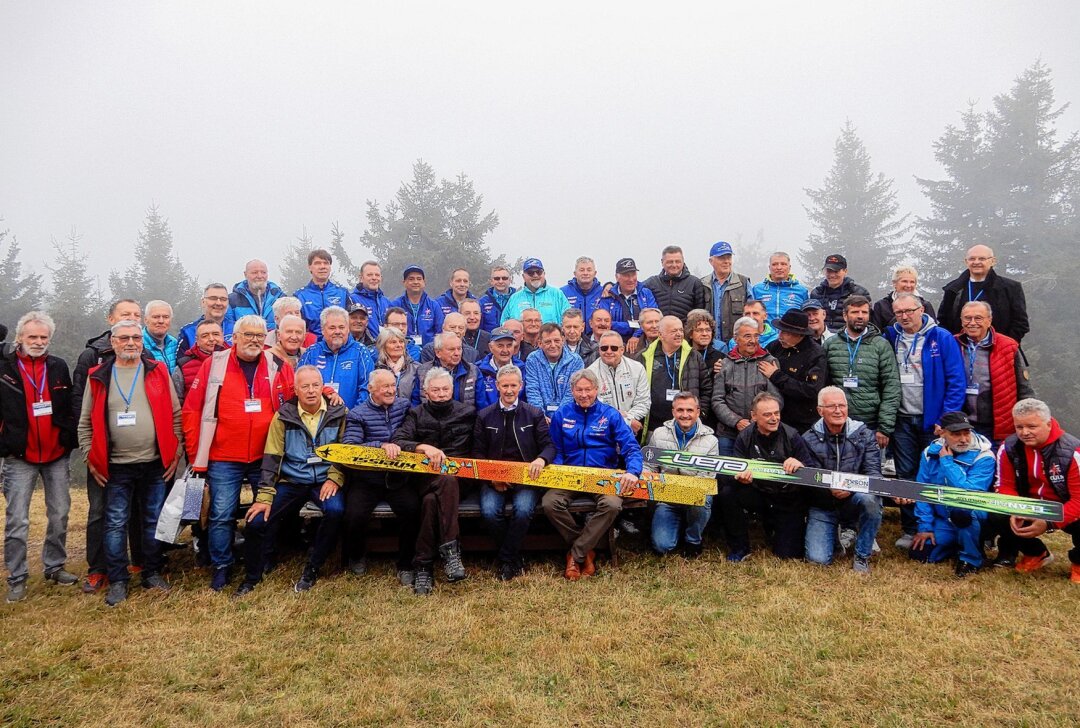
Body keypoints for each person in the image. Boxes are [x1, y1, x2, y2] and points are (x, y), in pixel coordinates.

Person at [182, 315, 295, 591]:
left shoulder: (277, 364)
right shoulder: (214, 364)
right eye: (248, 335)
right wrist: (198, 455)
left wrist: (325, 391)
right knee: (221, 513)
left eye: (259, 335)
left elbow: (295, 398)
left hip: (265, 454)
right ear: (234, 337)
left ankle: (263, 557)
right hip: (223, 455)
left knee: (268, 508)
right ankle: (222, 565)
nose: (254, 340)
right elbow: (192, 410)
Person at [78, 319, 183, 607]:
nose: (130, 343)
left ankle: (151, 572)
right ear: (112, 343)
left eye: (136, 337)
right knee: (114, 523)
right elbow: (85, 422)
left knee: (152, 520)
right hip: (115, 465)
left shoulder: (157, 370)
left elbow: (176, 415)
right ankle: (119, 580)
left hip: (154, 463)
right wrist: (90, 457)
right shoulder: (98, 375)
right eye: (124, 338)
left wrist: (175, 454)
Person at [235, 366, 348, 596]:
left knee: (336, 511)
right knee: (257, 520)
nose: (310, 391)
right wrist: (264, 497)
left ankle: (313, 568)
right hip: (293, 480)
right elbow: (272, 457)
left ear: (322, 386)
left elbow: (345, 450)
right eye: (304, 386)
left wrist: (335, 478)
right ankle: (252, 577)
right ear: (295, 389)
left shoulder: (338, 412)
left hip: (324, 479)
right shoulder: (283, 416)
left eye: (315, 385)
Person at [2, 312, 78, 603]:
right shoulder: (5, 367)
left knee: (59, 514)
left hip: (56, 453)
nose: (38, 342)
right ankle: (17, 576)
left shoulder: (58, 366)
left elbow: (68, 404)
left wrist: (68, 438)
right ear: (20, 337)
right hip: (19, 455)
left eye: (43, 337)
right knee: (18, 520)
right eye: (32, 337)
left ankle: (54, 566)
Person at [70, 298, 142, 594]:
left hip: (137, 452)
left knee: (137, 507)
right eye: (126, 315)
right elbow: (79, 404)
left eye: (137, 316)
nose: (133, 320)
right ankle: (99, 568)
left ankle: (138, 559)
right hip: (103, 450)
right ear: (110, 319)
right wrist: (89, 448)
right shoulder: (93, 356)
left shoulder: (142, 352)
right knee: (101, 510)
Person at [882, 293, 966, 548]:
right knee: (906, 473)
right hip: (902, 417)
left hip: (933, 422)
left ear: (921, 309)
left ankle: (942, 527)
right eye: (899, 313)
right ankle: (911, 528)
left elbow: (956, 380)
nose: (905, 316)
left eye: (910, 311)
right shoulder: (890, 336)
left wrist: (946, 419)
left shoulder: (941, 337)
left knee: (934, 473)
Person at [543, 369, 642, 580]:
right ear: (572, 391)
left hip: (603, 475)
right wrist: (559, 469)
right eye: (579, 390)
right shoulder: (562, 413)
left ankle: (576, 553)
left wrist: (633, 472)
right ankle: (587, 551)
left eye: (588, 389)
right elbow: (555, 448)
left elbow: (631, 448)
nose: (584, 394)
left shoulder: (610, 414)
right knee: (549, 503)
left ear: (597, 390)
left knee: (612, 505)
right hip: (569, 475)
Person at [391, 367, 476, 595]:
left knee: (438, 494)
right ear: (426, 392)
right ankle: (451, 554)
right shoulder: (416, 414)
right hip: (424, 478)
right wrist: (422, 447)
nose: (441, 394)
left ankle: (423, 568)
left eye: (445, 389)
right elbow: (399, 440)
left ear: (452, 390)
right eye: (435, 390)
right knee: (431, 498)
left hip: (461, 480)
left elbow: (478, 449)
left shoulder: (468, 412)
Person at [473, 365, 555, 580]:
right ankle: (513, 557)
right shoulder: (484, 416)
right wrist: (492, 478)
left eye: (514, 385)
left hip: (526, 478)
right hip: (494, 477)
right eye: (505, 385)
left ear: (521, 386)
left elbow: (549, 446)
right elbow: (477, 453)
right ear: (498, 386)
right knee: (490, 511)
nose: (509, 390)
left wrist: (541, 459)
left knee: (523, 509)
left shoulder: (534, 414)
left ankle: (507, 558)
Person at [340, 370, 419, 586]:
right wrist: (380, 446)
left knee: (412, 511)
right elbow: (350, 448)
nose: (391, 390)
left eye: (393, 385)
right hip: (368, 479)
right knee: (354, 515)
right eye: (385, 387)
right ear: (371, 389)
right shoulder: (357, 414)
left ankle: (405, 563)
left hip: (398, 477)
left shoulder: (404, 407)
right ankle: (356, 555)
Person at [717, 392, 812, 561]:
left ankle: (775, 528)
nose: (774, 418)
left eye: (776, 413)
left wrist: (800, 466)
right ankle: (740, 548)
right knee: (728, 493)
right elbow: (734, 471)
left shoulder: (792, 436)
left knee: (788, 555)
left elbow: (812, 471)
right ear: (754, 416)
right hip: (758, 492)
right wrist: (740, 477)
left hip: (787, 497)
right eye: (767, 414)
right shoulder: (744, 436)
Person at [995, 399, 1080, 583]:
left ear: (1048, 424)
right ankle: (1036, 553)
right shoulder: (1008, 448)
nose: (1024, 432)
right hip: (1030, 505)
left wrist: (1049, 522)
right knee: (997, 512)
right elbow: (1005, 486)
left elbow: (1079, 501)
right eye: (1019, 427)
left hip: (1065, 506)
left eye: (1031, 426)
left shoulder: (1072, 452)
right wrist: (1015, 510)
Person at [802, 387, 883, 574]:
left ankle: (862, 555)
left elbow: (874, 474)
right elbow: (808, 482)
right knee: (818, 560)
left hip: (854, 499)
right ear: (820, 410)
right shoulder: (807, 439)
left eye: (842, 405)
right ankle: (838, 534)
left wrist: (852, 489)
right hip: (823, 504)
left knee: (871, 499)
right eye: (832, 406)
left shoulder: (864, 434)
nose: (838, 411)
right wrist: (828, 490)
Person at [909, 411, 996, 577]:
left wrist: (947, 463)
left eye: (966, 433)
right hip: (944, 520)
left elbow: (969, 495)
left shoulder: (984, 455)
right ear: (942, 433)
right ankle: (958, 544)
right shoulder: (929, 452)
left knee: (962, 512)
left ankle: (971, 559)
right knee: (920, 554)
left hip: (974, 514)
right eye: (956, 434)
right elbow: (922, 490)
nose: (963, 439)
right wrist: (925, 527)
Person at [822, 295, 900, 450]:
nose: (860, 316)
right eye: (855, 312)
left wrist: (884, 427)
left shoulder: (880, 345)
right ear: (845, 315)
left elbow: (891, 386)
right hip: (836, 422)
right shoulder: (831, 344)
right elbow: (823, 384)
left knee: (869, 471)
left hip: (870, 424)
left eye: (864, 312)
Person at [647, 392, 718, 557]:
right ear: (673, 412)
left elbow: (706, 478)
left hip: (694, 497)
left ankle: (693, 539)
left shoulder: (711, 441)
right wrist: (648, 475)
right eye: (680, 410)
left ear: (698, 412)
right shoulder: (658, 434)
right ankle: (674, 525)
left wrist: (682, 492)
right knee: (662, 547)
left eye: (689, 410)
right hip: (667, 498)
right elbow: (649, 465)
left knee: (705, 497)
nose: (685, 415)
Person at [954, 300, 1033, 446]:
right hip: (962, 425)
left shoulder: (1008, 346)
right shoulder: (953, 344)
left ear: (989, 320)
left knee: (998, 466)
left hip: (998, 425)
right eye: (967, 318)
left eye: (978, 318)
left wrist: (1028, 421)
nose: (972, 323)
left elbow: (1024, 388)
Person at [711, 316, 782, 455]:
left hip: (761, 432)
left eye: (756, 336)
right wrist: (736, 421)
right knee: (727, 475)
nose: (753, 341)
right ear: (735, 338)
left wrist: (757, 422)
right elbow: (717, 400)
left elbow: (776, 399)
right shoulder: (724, 364)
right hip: (728, 432)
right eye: (747, 336)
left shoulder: (770, 362)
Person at [639, 315, 712, 444]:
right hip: (652, 425)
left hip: (685, 425)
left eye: (680, 330)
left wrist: (701, 413)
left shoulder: (694, 356)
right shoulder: (644, 356)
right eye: (673, 331)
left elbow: (706, 388)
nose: (679, 334)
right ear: (661, 335)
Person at [938, 244, 1029, 343]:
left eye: (982, 259)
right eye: (972, 259)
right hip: (960, 349)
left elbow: (1020, 324)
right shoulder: (953, 289)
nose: (976, 262)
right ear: (966, 261)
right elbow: (943, 321)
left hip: (1000, 350)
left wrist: (1003, 345)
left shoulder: (1010, 288)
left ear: (993, 261)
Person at [762, 309, 826, 434]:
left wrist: (776, 375)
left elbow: (811, 390)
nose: (780, 336)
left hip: (802, 422)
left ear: (800, 334)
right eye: (780, 331)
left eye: (786, 333)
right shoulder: (774, 347)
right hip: (775, 418)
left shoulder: (816, 355)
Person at [297, 306, 375, 409]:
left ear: (348, 329)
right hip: (317, 420)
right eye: (332, 328)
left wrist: (353, 416)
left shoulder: (360, 351)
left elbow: (367, 388)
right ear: (323, 330)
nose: (337, 331)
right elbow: (300, 385)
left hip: (352, 419)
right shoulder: (312, 352)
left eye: (341, 327)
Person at [587, 331, 649, 438]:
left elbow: (643, 402)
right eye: (604, 348)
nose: (609, 351)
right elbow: (593, 408)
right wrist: (626, 421)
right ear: (599, 350)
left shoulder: (637, 368)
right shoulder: (590, 373)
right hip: (603, 432)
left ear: (622, 350)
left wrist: (627, 419)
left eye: (614, 348)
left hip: (632, 431)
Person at [700, 240, 752, 347]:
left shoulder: (743, 283)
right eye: (722, 258)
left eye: (729, 257)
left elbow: (751, 315)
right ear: (711, 261)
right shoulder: (702, 284)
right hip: (709, 346)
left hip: (737, 345)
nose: (726, 261)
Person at [597, 258, 658, 349]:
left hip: (643, 342)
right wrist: (633, 325)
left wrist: (636, 335)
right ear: (617, 277)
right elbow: (605, 324)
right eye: (626, 275)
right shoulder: (608, 296)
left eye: (633, 274)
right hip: (614, 344)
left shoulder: (646, 293)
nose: (631, 279)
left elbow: (655, 319)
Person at [524, 323, 583, 418]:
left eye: (556, 340)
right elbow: (533, 390)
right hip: (540, 417)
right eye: (548, 342)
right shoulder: (532, 359)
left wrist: (558, 417)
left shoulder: (576, 361)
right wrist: (540, 417)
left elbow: (571, 392)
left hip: (568, 416)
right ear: (540, 343)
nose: (553, 345)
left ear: (563, 340)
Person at [294, 249, 355, 338]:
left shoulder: (342, 293)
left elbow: (351, 322)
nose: (322, 267)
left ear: (330, 267)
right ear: (310, 267)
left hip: (339, 345)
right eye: (317, 263)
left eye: (326, 263)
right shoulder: (300, 296)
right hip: (312, 347)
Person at [415, 332, 480, 408]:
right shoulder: (422, 371)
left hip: (465, 418)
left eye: (459, 349)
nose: (457, 353)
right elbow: (416, 403)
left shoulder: (473, 371)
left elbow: (480, 405)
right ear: (438, 352)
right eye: (451, 349)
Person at [643, 245, 706, 323]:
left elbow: (699, 314)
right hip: (658, 332)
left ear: (683, 261)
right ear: (662, 262)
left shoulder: (694, 283)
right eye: (670, 262)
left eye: (677, 261)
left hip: (684, 333)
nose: (674, 265)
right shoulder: (651, 283)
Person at [809, 254, 871, 333]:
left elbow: (867, 321)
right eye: (829, 271)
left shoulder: (859, 293)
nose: (832, 275)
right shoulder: (816, 293)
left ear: (845, 271)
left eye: (836, 271)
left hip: (849, 339)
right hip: (821, 339)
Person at [501, 257, 570, 325]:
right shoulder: (514, 298)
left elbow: (569, 321)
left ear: (544, 273)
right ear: (523, 276)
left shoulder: (557, 294)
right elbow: (504, 324)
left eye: (539, 272)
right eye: (530, 273)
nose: (535, 275)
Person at [172, 319, 226, 403]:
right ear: (197, 340)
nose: (211, 339)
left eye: (216, 334)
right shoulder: (183, 367)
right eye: (205, 336)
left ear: (222, 336)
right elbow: (177, 402)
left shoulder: (236, 360)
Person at [391, 264, 445, 347]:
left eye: (419, 279)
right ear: (404, 283)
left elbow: (440, 332)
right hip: (403, 351)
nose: (415, 282)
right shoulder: (395, 305)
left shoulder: (434, 306)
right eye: (411, 279)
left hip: (429, 354)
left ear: (424, 282)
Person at [224, 259, 284, 331]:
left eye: (263, 272)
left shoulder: (280, 298)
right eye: (254, 272)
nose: (259, 276)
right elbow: (229, 331)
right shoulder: (232, 301)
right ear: (245, 275)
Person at [870, 266, 936, 332]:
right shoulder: (881, 306)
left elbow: (933, 330)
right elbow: (876, 332)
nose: (908, 285)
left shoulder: (925, 305)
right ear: (894, 283)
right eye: (904, 281)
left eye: (912, 282)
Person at [476, 327, 526, 410]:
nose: (505, 350)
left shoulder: (523, 368)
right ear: (491, 347)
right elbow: (480, 403)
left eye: (509, 345)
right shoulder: (478, 370)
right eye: (500, 346)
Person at [751, 251, 809, 321]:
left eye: (783, 264)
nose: (779, 267)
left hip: (791, 331)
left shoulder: (802, 291)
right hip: (764, 332)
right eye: (774, 264)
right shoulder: (757, 289)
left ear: (789, 267)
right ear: (769, 267)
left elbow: (807, 317)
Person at [371, 327, 421, 403]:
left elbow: (419, 399)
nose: (399, 345)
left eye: (401, 342)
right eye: (393, 342)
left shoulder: (417, 368)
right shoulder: (375, 369)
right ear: (383, 346)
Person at [178, 283, 233, 351]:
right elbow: (181, 360)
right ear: (203, 302)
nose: (219, 303)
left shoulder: (237, 329)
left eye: (223, 299)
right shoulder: (188, 331)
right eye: (213, 298)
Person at [350, 260, 391, 340]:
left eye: (377, 275)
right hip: (365, 348)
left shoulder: (386, 302)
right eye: (369, 275)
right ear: (361, 278)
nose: (374, 278)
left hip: (386, 348)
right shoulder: (352, 299)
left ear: (381, 278)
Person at [561, 256, 603, 333]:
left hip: (596, 338)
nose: (585, 273)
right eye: (582, 270)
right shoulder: (562, 293)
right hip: (571, 336)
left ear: (595, 273)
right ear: (575, 273)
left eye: (589, 270)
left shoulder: (603, 292)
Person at [142, 300, 180, 373]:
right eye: (156, 317)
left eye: (166, 317)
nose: (161, 321)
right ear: (146, 320)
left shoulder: (174, 343)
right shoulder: (138, 344)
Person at [685, 309, 724, 376]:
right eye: (699, 330)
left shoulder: (720, 358)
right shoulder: (683, 356)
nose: (704, 334)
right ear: (690, 334)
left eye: (708, 330)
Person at [478, 265, 515, 332]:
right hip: (489, 341)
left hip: (513, 341)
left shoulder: (517, 300)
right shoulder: (482, 302)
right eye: (497, 278)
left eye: (504, 278)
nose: (500, 281)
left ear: (510, 280)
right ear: (491, 281)